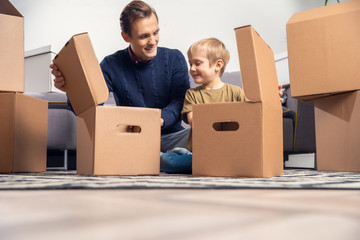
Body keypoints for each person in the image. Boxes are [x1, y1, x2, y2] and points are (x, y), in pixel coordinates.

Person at [50, 0, 191, 153]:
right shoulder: (111, 64)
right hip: (133, 140)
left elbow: (179, 101)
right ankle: (164, 160)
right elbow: (91, 109)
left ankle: (159, 159)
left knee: (201, 135)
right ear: (126, 36)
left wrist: (157, 120)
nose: (152, 41)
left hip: (173, 138)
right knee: (105, 141)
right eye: (144, 36)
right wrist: (72, 89)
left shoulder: (174, 58)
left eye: (155, 33)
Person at [160, 38, 282, 174]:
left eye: (197, 63)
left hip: (229, 151)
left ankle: (187, 155)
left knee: (249, 161)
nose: (192, 69)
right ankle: (184, 156)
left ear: (217, 65)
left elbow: (252, 116)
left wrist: (270, 97)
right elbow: (196, 123)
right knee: (168, 161)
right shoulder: (192, 94)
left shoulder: (235, 92)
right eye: (190, 64)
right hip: (202, 154)